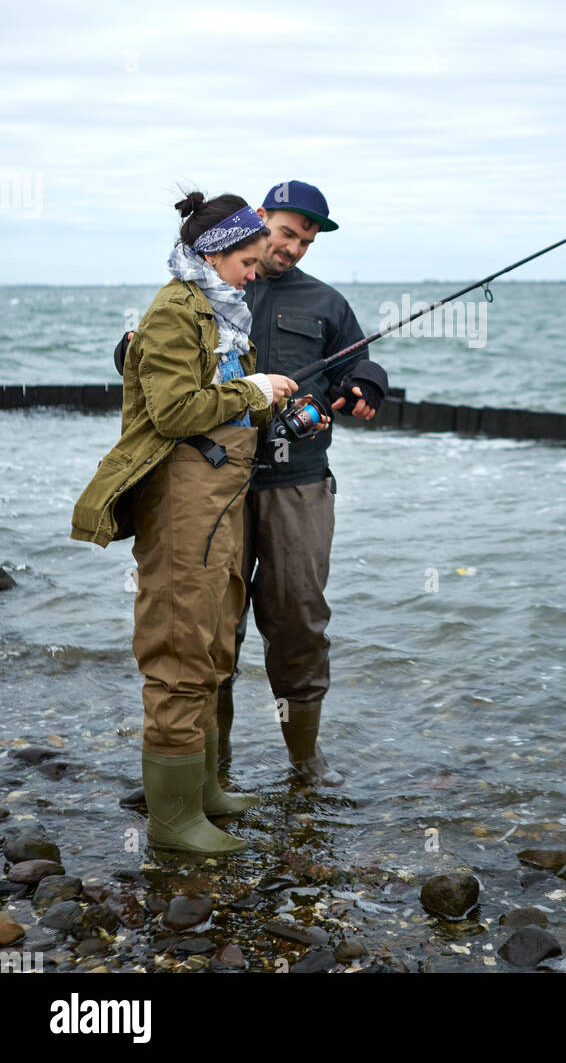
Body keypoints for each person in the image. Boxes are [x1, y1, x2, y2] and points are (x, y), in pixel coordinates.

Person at [116, 181, 388, 788]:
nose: (294, 248)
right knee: (210, 626)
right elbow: (158, 365)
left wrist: (365, 388)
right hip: (212, 485)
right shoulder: (204, 291)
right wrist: (128, 349)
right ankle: (212, 768)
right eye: (287, 233)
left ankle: (304, 760)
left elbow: (358, 362)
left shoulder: (324, 302)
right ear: (259, 221)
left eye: (306, 240)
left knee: (298, 618)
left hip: (299, 484)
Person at [72, 192, 305, 853]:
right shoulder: (177, 310)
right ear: (215, 252)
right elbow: (175, 412)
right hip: (181, 500)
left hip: (221, 497)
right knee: (178, 643)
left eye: (259, 261)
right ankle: (173, 821)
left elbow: (222, 399)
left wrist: (265, 394)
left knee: (212, 636)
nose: (255, 273)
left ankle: (202, 787)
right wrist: (252, 392)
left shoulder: (221, 308)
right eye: (248, 261)